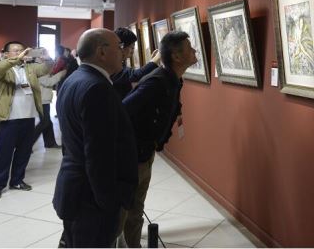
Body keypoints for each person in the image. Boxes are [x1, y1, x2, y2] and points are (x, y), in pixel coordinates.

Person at [53, 28, 138, 248]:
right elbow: (98, 154)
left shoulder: (75, 79)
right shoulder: (97, 88)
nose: (123, 53)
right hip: (90, 199)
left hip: (75, 188)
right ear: (102, 52)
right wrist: (109, 202)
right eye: (119, 47)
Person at [119, 31, 197, 247]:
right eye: (189, 48)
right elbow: (123, 110)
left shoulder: (173, 80)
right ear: (177, 56)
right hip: (135, 155)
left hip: (145, 152)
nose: (194, 51)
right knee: (128, 209)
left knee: (135, 208)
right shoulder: (157, 82)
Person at [0, 42, 53, 199]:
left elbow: (46, 69)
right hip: (10, 117)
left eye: (22, 50)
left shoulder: (30, 68)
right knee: (3, 153)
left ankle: (17, 180)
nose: (20, 53)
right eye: (16, 51)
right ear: (6, 54)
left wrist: (47, 58)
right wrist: (18, 59)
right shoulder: (3, 68)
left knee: (24, 152)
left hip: (29, 116)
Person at [112, 27, 161, 99]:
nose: (132, 51)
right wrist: (158, 57)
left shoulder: (119, 63)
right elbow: (135, 75)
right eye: (132, 48)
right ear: (122, 47)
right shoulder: (112, 65)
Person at [32, 48, 65, 149]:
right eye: (44, 53)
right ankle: (26, 144)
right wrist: (61, 74)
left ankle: (50, 143)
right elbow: (48, 82)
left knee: (47, 121)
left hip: (44, 97)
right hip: (41, 98)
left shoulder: (42, 65)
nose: (46, 55)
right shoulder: (37, 67)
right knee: (44, 122)